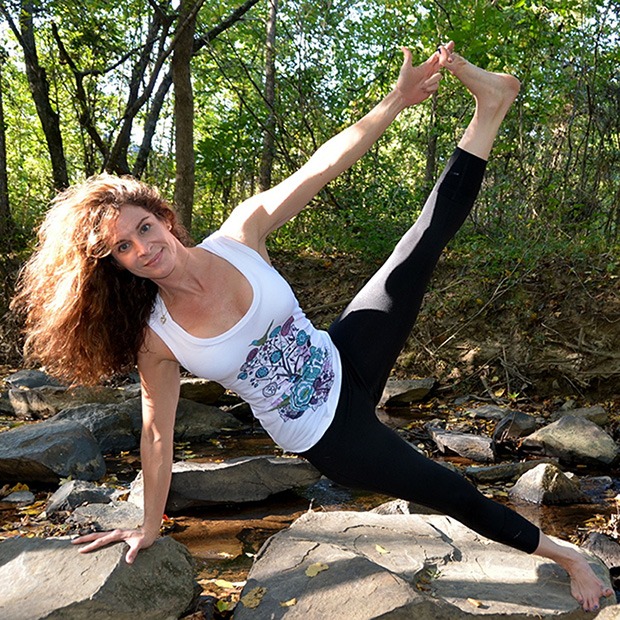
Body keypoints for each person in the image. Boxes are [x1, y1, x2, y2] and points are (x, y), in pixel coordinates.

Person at [11, 43, 612, 613]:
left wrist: (397, 102)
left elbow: (325, 162)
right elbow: (157, 434)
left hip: (343, 354)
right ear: (113, 264)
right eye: (122, 246)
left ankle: (492, 105)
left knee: (418, 247)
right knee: (449, 490)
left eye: (144, 228)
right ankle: (568, 557)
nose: (143, 248)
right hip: (327, 436)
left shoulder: (240, 235)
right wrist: (146, 524)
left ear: (164, 218)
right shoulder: (157, 336)